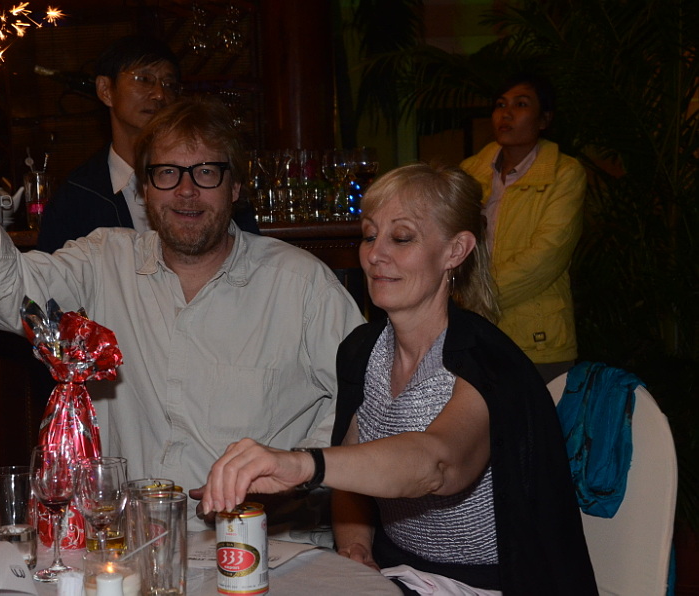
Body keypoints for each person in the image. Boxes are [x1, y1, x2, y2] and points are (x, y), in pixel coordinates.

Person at [0, 95, 366, 532]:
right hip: (127, 545)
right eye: (167, 173)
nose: (187, 191)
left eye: (206, 172)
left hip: (265, 545)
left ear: (234, 188)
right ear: (143, 189)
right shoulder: (102, 261)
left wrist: (298, 476)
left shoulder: (301, 284)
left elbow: (366, 400)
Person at [200, 163, 597, 595]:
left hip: (489, 585)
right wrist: (356, 547)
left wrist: (302, 464)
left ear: (455, 251)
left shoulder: (488, 360)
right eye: (370, 235)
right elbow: (353, 474)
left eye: (402, 238)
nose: (375, 254)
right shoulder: (362, 350)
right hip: (399, 574)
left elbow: (438, 464)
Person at [37, 34, 259, 254]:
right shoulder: (77, 195)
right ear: (105, 90)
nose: (159, 94)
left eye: (169, 84)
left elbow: (249, 255)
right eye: (144, 79)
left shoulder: (212, 180)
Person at [460, 73, 586, 384]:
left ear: (544, 119)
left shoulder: (564, 173)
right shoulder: (468, 172)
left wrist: (475, 297)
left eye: (521, 105)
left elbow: (547, 256)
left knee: (538, 416)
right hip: (473, 333)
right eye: (500, 105)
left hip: (537, 337)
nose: (506, 114)